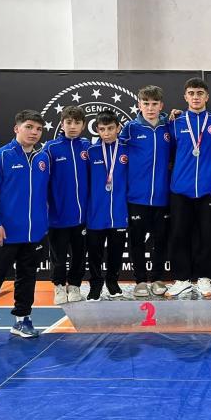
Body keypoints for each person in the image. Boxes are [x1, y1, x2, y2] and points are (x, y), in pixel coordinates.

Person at [0, 110, 50, 348]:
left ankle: (22, 320)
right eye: (29, 127)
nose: (34, 132)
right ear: (17, 128)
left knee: (27, 278)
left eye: (38, 129)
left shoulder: (42, 159)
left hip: (33, 235)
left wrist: (43, 225)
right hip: (2, 235)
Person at [167, 77, 211, 298]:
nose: (195, 97)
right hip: (180, 188)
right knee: (179, 234)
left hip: (209, 188)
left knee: (207, 235)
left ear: (207, 97)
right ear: (185, 97)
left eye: (200, 93)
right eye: (191, 93)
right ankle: (181, 279)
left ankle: (204, 278)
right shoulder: (175, 122)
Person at [119, 85, 173, 298]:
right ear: (139, 105)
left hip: (162, 196)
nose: (150, 108)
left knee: (160, 240)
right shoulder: (130, 129)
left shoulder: (168, 127)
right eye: (146, 104)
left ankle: (158, 278)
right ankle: (140, 280)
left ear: (161, 105)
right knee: (137, 241)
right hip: (136, 197)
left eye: (154, 104)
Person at [42, 105, 90, 305]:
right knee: (58, 256)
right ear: (62, 124)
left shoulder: (87, 147)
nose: (72, 126)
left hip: (82, 216)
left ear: (83, 125)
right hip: (57, 216)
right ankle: (59, 286)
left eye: (77, 123)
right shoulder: (50, 148)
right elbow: (41, 181)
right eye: (68, 122)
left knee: (79, 255)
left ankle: (75, 285)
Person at [85, 111, 128, 301]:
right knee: (94, 252)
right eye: (102, 129)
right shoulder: (90, 152)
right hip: (95, 212)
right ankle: (95, 284)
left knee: (116, 251)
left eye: (110, 128)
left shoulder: (127, 150)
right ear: (97, 130)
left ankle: (112, 281)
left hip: (119, 211)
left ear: (118, 128)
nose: (107, 133)